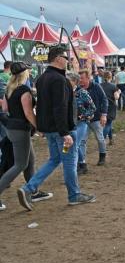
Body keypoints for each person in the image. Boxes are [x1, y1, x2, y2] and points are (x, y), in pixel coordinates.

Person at [17, 46, 96, 211]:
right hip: (62, 130)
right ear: (58, 58)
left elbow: (43, 105)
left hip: (50, 129)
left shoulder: (42, 78)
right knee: (69, 162)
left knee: (54, 159)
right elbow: (59, 108)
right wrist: (65, 132)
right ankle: (74, 195)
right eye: (66, 57)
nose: (68, 60)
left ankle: (28, 188)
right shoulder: (60, 80)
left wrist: (42, 127)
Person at [0, 62, 53, 211]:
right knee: (20, 164)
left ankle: (32, 190)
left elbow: (5, 109)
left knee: (30, 160)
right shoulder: (24, 90)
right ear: (25, 73)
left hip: (11, 128)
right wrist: (39, 127)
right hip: (20, 130)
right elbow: (28, 113)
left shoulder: (9, 89)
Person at [66, 72, 96, 176]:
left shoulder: (82, 92)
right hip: (69, 123)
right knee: (71, 145)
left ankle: (76, 167)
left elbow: (92, 108)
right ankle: (82, 164)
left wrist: (83, 116)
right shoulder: (65, 92)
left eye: (68, 80)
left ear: (74, 82)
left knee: (75, 145)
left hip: (81, 123)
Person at [78, 69, 108, 167]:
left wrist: (104, 114)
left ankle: (102, 156)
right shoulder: (78, 89)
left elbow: (104, 100)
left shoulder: (96, 86)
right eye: (79, 78)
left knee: (100, 138)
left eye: (82, 78)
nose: (80, 80)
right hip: (83, 120)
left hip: (96, 118)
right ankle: (82, 162)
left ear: (88, 78)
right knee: (82, 141)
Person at [101, 71, 120, 146]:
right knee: (108, 123)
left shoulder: (99, 85)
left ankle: (111, 139)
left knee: (109, 123)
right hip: (111, 106)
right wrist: (119, 92)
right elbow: (116, 97)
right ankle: (102, 140)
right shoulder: (113, 86)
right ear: (110, 77)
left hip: (102, 107)